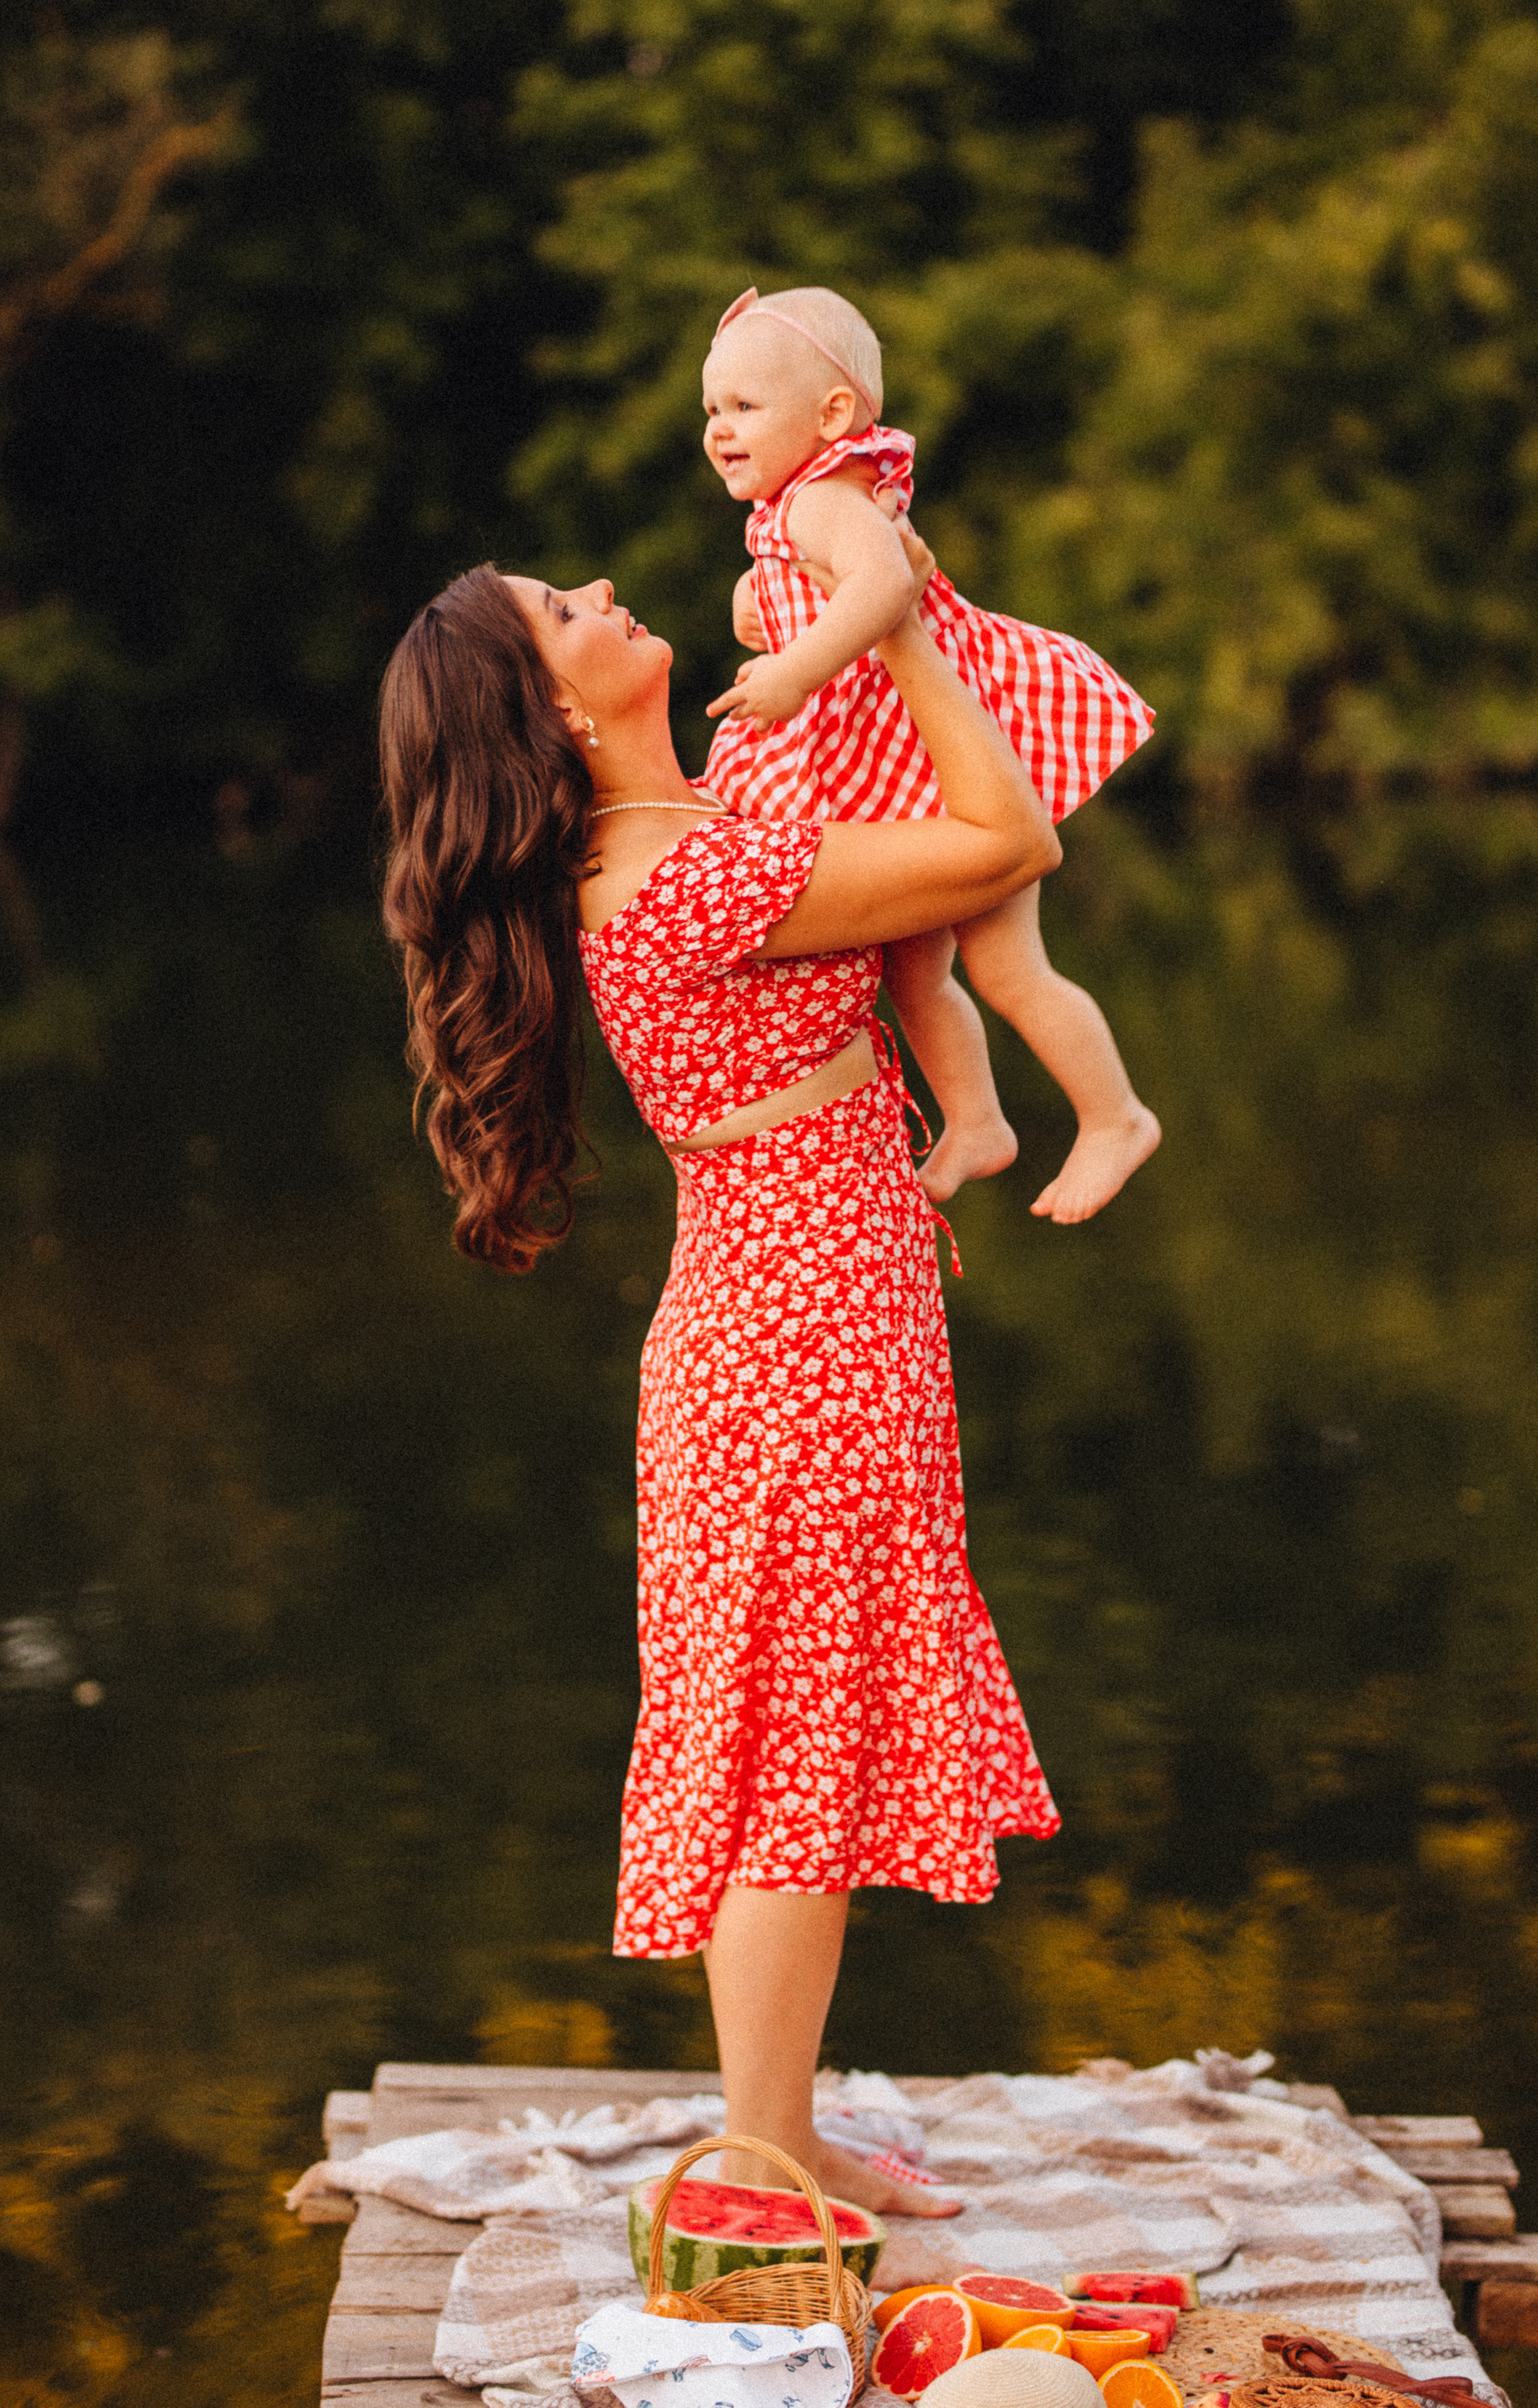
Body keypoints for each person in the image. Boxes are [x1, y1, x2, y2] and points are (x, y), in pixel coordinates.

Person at [378, 519, 1061, 2217]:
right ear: (548, 715)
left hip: (805, 1325)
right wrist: (891, 629)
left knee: (792, 1747)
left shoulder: (707, 824)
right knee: (786, 1757)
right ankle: (760, 2157)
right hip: (795, 1347)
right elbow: (1008, 838)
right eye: (562, 610)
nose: (603, 590)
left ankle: (784, 2130)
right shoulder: (687, 882)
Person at [699, 284, 1161, 1223]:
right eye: (711, 410)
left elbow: (880, 592)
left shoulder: (826, 501)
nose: (720, 428)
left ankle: (1115, 1116)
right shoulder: (798, 510)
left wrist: (793, 668)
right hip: (903, 782)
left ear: (832, 415)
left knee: (1008, 968)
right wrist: (758, 608)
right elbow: (822, 596)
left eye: (745, 406)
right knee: (917, 973)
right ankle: (979, 1122)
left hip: (950, 769)